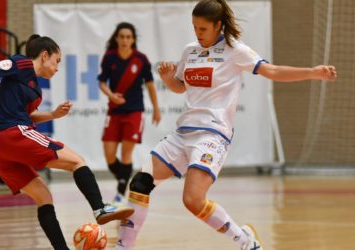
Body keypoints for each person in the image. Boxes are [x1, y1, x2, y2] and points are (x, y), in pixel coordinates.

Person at [114, 0, 337, 249]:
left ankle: (245, 240)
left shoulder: (235, 50)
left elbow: (272, 71)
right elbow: (180, 87)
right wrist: (168, 79)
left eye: (203, 29)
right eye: (194, 28)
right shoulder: (190, 51)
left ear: (218, 25)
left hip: (212, 133)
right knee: (140, 183)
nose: (197, 34)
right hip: (183, 132)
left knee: (193, 200)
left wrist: (312, 72)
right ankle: (123, 247)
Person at [0, 34, 134, 250]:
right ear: (44, 55)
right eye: (57, 61)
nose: (57, 68)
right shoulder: (22, 63)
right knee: (77, 161)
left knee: (44, 196)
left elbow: (30, 116)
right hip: (11, 133)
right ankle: (100, 208)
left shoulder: (34, 87)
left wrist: (53, 114)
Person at [98, 22, 161, 206]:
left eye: (128, 37)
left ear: (133, 40)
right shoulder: (109, 58)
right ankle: (126, 178)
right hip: (114, 111)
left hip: (134, 112)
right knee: (109, 155)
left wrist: (156, 108)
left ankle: (119, 194)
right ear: (116, 38)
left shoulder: (141, 60)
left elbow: (150, 85)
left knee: (126, 155)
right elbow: (102, 82)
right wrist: (111, 95)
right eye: (122, 36)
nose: (125, 40)